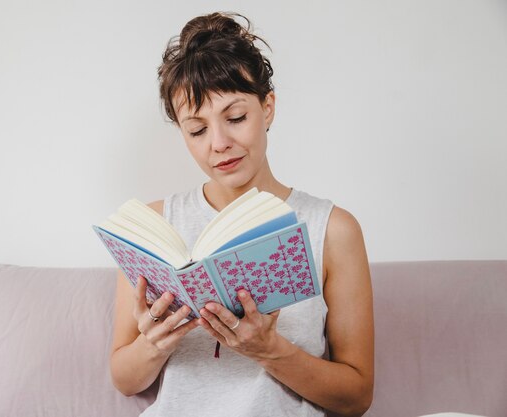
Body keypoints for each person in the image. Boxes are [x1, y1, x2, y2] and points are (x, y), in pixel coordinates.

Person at [109, 11, 373, 417]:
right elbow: (125, 380)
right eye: (196, 130)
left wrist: (270, 351)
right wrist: (154, 343)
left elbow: (356, 396)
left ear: (267, 108)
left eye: (235, 118)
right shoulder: (155, 226)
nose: (219, 143)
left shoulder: (332, 230)